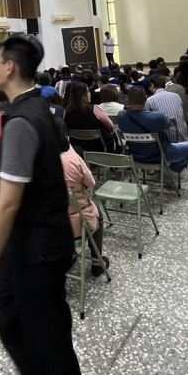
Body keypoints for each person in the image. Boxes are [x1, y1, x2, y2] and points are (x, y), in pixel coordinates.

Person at [0, 35, 85, 375]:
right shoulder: (37, 108)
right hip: (38, 241)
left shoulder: (20, 123)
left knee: (45, 344)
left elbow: (7, 204)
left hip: (38, 248)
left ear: (10, 67)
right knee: (25, 324)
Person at [56, 119, 108, 278]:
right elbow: (91, 183)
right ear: (65, 135)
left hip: (49, 221)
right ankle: (97, 263)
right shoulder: (73, 159)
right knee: (97, 213)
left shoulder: (37, 159)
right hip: (76, 220)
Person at [118, 87, 188, 170]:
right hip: (160, 156)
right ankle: (173, 168)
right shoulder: (158, 117)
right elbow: (169, 125)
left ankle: (168, 168)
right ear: (145, 99)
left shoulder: (121, 117)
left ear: (128, 100)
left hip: (135, 156)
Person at [62, 81, 115, 151]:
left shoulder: (67, 111)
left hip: (78, 149)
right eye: (88, 91)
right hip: (100, 148)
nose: (90, 94)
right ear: (82, 95)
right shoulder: (94, 109)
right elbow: (111, 127)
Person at [144, 75, 188, 142]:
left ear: (152, 85)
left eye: (149, 87)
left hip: (166, 141)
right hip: (183, 138)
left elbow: (145, 122)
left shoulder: (150, 100)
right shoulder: (176, 96)